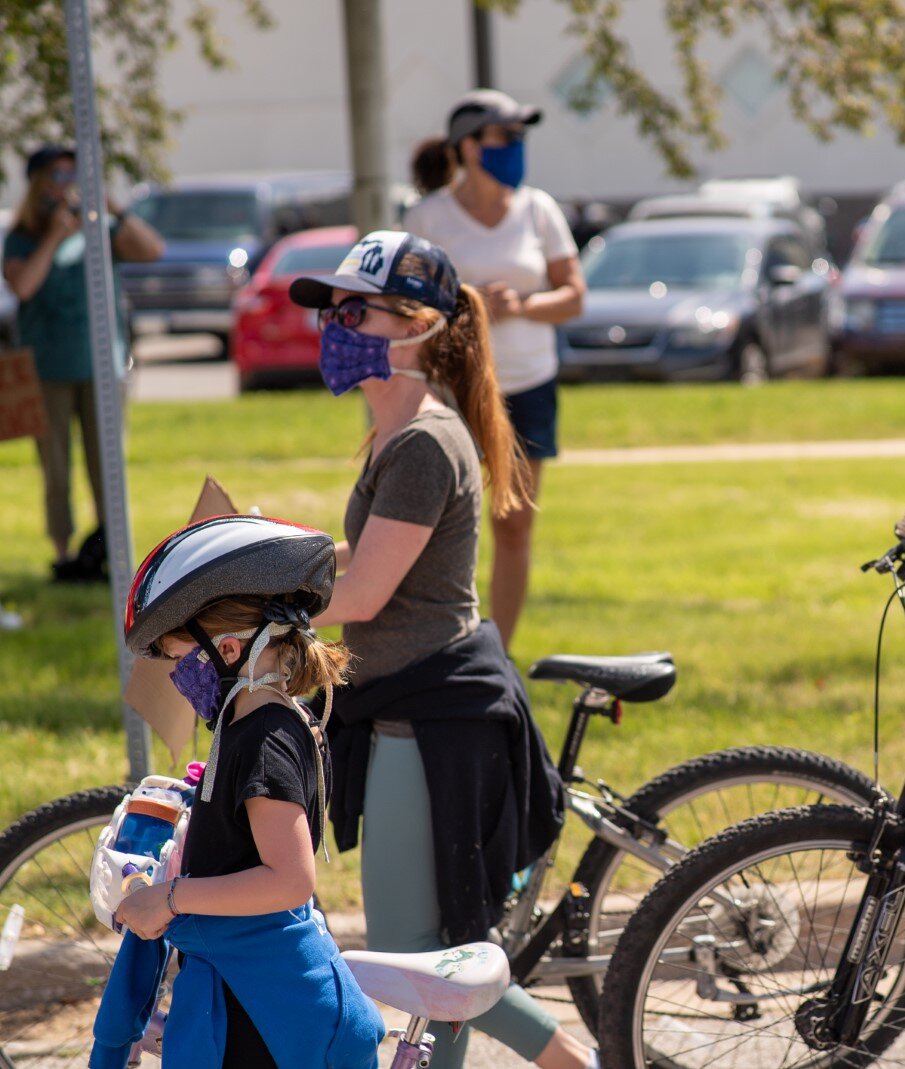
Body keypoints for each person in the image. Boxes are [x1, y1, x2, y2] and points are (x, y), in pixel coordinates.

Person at [287, 231, 588, 1069]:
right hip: (409, 703)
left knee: (417, 950)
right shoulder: (397, 432)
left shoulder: (423, 439)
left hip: (434, 714)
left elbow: (364, 598)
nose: (335, 327)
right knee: (434, 953)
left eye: (355, 310)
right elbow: (370, 557)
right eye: (331, 310)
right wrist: (277, 563)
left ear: (416, 325)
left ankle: (578, 1061)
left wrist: (275, 610)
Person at [101, 514, 386, 1067]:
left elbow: (289, 879)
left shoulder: (263, 740)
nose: (179, 677)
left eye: (181, 659)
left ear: (227, 650)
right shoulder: (256, 724)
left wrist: (171, 898)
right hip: (241, 997)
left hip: (255, 1020)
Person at [404, 89, 586, 651]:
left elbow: (574, 296)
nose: (515, 147)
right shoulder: (428, 217)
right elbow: (407, 309)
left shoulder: (539, 209)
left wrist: (522, 306)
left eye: (519, 136)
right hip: (452, 391)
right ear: (467, 145)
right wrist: (467, 302)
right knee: (434, 528)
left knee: (514, 525)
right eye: (504, 136)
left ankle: (496, 655)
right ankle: (437, 644)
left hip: (527, 387)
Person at [2, 143, 163, 580]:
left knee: (106, 464)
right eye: (57, 175)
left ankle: (110, 550)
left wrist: (111, 206)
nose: (67, 185)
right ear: (38, 184)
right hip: (48, 369)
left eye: (74, 175)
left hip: (101, 368)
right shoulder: (22, 237)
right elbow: (24, 287)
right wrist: (55, 235)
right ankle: (62, 550)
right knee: (56, 466)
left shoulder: (100, 231)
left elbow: (152, 251)